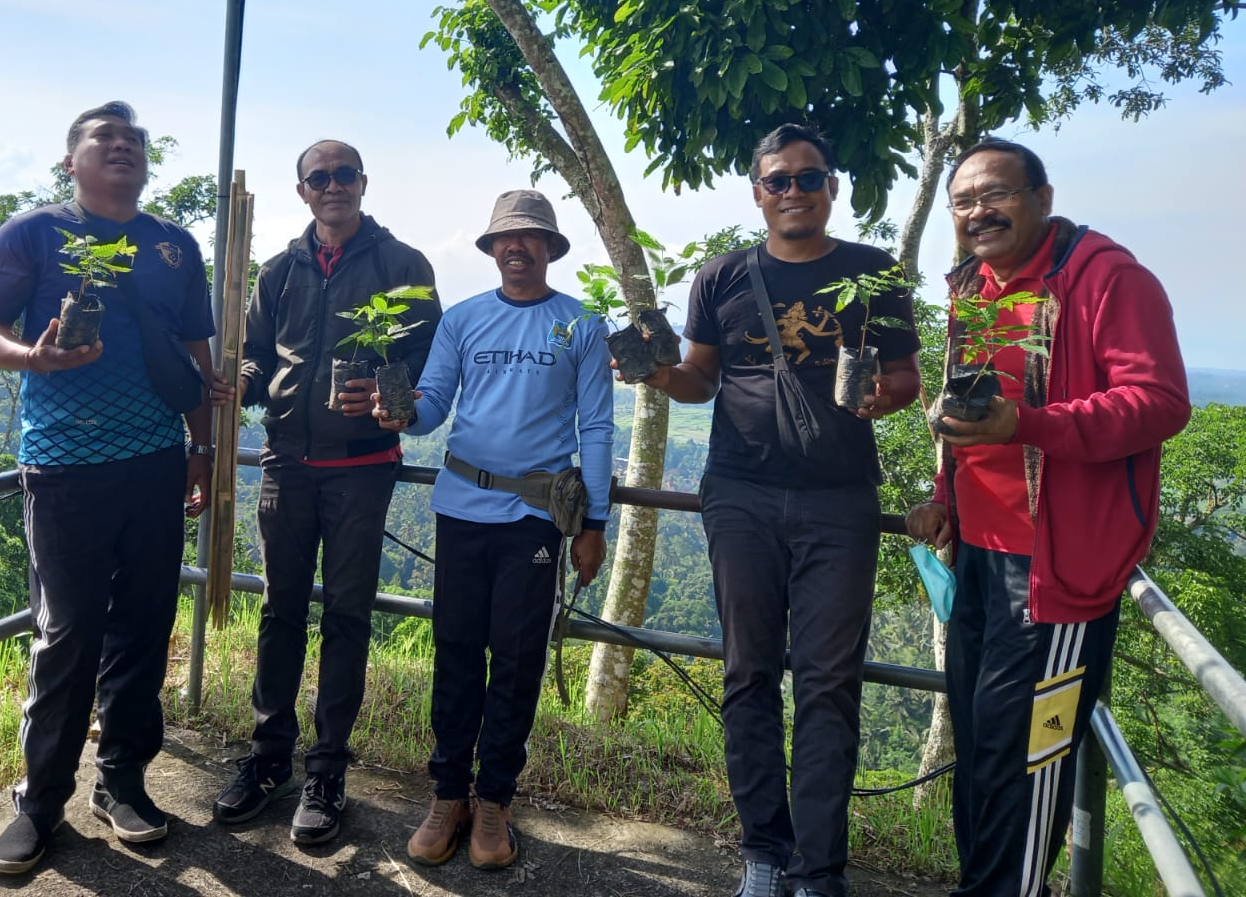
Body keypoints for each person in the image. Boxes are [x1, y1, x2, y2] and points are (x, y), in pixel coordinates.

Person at [641, 124, 920, 897]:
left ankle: (819, 869)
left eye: (808, 177)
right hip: (741, 493)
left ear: (833, 186)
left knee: (830, 682)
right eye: (779, 180)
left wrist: (881, 396)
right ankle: (763, 851)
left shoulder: (872, 273)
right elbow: (701, 379)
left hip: (839, 498)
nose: (794, 191)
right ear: (757, 193)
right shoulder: (723, 276)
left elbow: (907, 378)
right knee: (749, 672)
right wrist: (657, 375)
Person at [906, 139, 1189, 897]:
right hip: (977, 556)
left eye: (995, 194)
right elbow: (964, 407)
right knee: (979, 745)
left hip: (1055, 568)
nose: (978, 212)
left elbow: (1160, 402)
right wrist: (944, 494)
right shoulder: (975, 287)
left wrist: (1028, 425)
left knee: (1024, 761)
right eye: (963, 201)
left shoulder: (1107, 278)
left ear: (1043, 197)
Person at [0, 101, 216, 876]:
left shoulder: (174, 245)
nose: (122, 147)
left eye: (133, 140)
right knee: (68, 633)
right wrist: (29, 357)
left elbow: (195, 352)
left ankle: (122, 781)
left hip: (156, 460)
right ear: (70, 160)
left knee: (144, 627)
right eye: (103, 138)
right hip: (64, 466)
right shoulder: (33, 233)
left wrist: (202, 447)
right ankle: (40, 801)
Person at [212, 139, 440, 846]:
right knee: (279, 609)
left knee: (346, 614)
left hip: (362, 467)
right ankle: (268, 757)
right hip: (286, 461)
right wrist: (244, 381)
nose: (333, 185)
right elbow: (256, 351)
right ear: (303, 191)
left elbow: (430, 357)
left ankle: (328, 769)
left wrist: (391, 388)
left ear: (363, 183)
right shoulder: (280, 270)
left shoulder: (403, 265)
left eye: (344, 175)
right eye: (320, 177)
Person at [387, 189, 613, 871]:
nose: (516, 247)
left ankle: (493, 801)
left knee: (517, 660)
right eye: (504, 238)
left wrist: (594, 523)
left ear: (549, 248)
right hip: (461, 508)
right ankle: (446, 794)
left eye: (529, 237)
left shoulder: (581, 325)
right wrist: (401, 412)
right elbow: (433, 406)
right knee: (455, 651)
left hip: (536, 517)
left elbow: (597, 428)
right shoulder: (462, 319)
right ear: (491, 249)